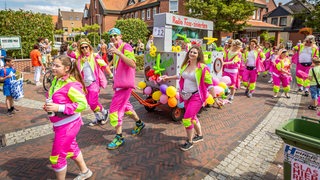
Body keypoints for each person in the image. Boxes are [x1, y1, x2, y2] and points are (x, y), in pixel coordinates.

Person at [161, 45, 222, 151]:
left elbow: (210, 84)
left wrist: (215, 99)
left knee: (187, 119)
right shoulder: (186, 64)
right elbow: (181, 76)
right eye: (191, 51)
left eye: (195, 52)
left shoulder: (202, 68)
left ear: (198, 55)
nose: (192, 53)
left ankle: (189, 142)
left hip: (197, 96)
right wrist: (168, 77)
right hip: (186, 96)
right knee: (193, 117)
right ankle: (200, 135)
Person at [44, 55, 92, 180]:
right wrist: (50, 106)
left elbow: (83, 105)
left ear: (66, 68)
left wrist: (58, 108)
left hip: (68, 125)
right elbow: (58, 98)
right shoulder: (56, 79)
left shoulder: (72, 84)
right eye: (53, 65)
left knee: (57, 158)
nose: (53, 68)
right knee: (72, 148)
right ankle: (85, 171)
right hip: (60, 124)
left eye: (57, 66)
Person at [106, 27, 144, 150]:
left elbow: (133, 64)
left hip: (124, 86)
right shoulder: (117, 49)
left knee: (114, 111)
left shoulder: (126, 47)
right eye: (111, 36)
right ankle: (139, 123)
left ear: (120, 36)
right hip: (119, 85)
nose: (113, 38)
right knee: (126, 107)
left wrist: (119, 53)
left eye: (115, 35)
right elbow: (119, 67)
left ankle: (119, 138)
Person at [67, 38, 109, 126]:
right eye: (82, 48)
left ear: (89, 47)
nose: (84, 49)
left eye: (86, 47)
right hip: (84, 84)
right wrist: (71, 47)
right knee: (90, 102)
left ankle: (105, 112)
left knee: (93, 102)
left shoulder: (94, 56)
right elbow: (69, 53)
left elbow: (104, 65)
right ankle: (98, 117)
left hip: (94, 83)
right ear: (80, 49)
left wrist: (112, 75)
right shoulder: (79, 57)